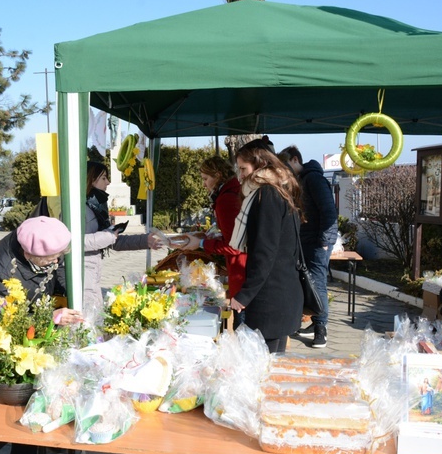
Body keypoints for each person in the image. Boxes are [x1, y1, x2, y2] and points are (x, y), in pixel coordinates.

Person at [0, 216, 81, 454]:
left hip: (38, 320)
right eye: (50, 258)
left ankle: (48, 431)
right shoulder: (0, 271)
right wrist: (52, 318)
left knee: (51, 383)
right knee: (23, 391)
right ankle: (22, 452)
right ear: (29, 253)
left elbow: (58, 272)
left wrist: (73, 294)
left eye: (59, 255)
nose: (56, 261)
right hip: (11, 334)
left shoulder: (43, 241)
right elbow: (10, 319)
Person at [228, 139, 304, 353]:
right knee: (273, 369)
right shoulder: (280, 189)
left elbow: (264, 252)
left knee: (264, 370)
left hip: (271, 298)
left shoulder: (266, 194)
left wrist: (244, 295)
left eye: (243, 168)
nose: (240, 175)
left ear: (260, 165)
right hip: (282, 293)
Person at [83, 160, 164, 311]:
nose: (108, 183)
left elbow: (114, 241)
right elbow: (73, 242)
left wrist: (144, 240)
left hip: (92, 275)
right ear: (91, 180)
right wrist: (108, 236)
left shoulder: (97, 206)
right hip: (81, 277)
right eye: (103, 178)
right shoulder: (80, 209)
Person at [280, 145, 338, 348]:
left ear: (296, 160)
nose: (285, 172)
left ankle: (321, 328)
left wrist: (324, 241)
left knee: (317, 282)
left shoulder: (313, 179)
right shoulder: (301, 180)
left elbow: (329, 211)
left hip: (317, 242)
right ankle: (315, 322)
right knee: (309, 282)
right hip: (306, 240)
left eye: (287, 166)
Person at [180, 156, 247, 328]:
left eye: (205, 179)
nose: (203, 184)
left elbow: (233, 245)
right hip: (245, 270)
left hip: (241, 272)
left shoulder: (226, 199)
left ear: (217, 175)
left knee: (244, 330)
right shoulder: (232, 192)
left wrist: (201, 244)